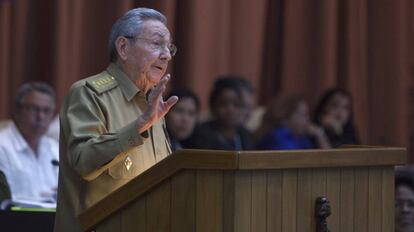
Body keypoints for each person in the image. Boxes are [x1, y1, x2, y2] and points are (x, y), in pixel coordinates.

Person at [54, 8, 178, 232]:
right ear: (123, 47)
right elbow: (84, 161)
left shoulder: (153, 103)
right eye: (157, 43)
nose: (166, 55)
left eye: (169, 48)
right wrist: (139, 126)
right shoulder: (88, 93)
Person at [0, 82, 59, 204]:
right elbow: (4, 198)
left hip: (52, 219)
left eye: (47, 111)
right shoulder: (2, 146)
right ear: (17, 110)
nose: (40, 116)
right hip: (14, 219)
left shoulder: (54, 148)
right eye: (34, 109)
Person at [190, 77, 254, 150]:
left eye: (236, 104)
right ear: (213, 107)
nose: (230, 110)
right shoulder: (201, 135)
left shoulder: (245, 135)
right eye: (223, 104)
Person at [256, 94, 331, 150]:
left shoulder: (302, 138)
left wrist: (320, 135)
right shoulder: (277, 136)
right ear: (285, 116)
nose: (307, 119)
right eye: (303, 115)